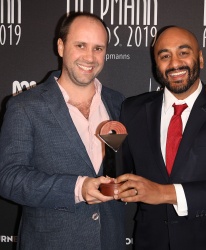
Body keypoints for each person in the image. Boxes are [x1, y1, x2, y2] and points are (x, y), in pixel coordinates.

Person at [114, 26, 206, 250]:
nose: (175, 63)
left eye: (183, 52)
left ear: (201, 58)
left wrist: (163, 193)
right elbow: (120, 174)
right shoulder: (132, 109)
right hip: (151, 243)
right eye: (165, 55)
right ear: (156, 64)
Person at [0, 12, 126, 250]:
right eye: (80, 45)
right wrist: (79, 188)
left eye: (98, 48)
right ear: (61, 46)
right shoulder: (25, 106)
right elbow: (8, 179)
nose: (90, 57)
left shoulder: (119, 103)